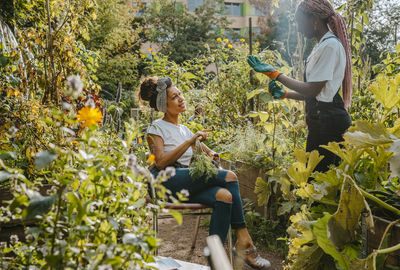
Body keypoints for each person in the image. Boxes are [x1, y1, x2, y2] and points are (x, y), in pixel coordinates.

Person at [139, 76, 271, 270]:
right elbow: (160, 161)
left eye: (180, 94)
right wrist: (191, 141)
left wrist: (212, 154)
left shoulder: (184, 129)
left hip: (185, 181)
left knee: (224, 196)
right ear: (163, 105)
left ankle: (216, 263)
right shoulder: (156, 127)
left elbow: (206, 151)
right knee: (230, 176)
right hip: (165, 182)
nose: (181, 98)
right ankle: (245, 242)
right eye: (175, 97)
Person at [247, 0, 352, 172]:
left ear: (314, 19)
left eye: (299, 22)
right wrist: (285, 94)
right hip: (321, 121)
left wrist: (276, 74)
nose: (298, 28)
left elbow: (312, 89)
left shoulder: (330, 46)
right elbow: (315, 94)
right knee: (316, 184)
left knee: (320, 184)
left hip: (329, 124)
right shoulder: (322, 46)